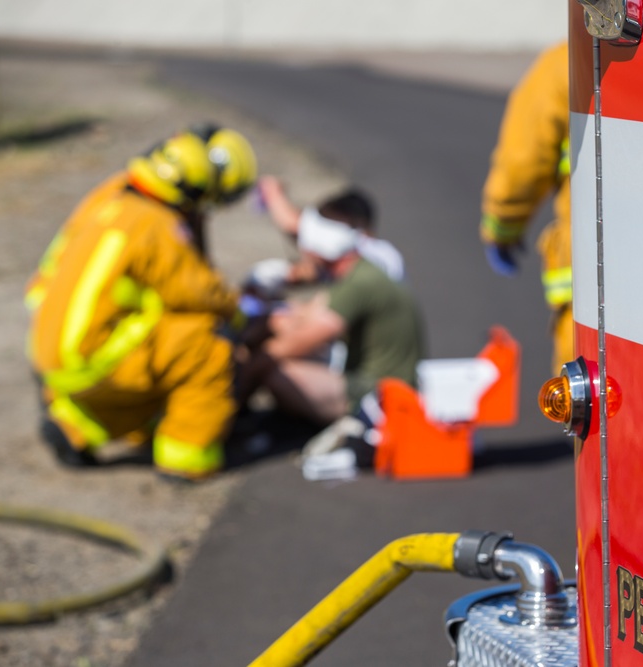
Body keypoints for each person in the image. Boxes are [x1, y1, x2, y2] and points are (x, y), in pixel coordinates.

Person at [24, 124, 258, 481]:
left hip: (49, 341)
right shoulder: (158, 224)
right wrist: (240, 313)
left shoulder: (114, 197)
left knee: (157, 351)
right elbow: (196, 291)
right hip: (93, 355)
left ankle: (75, 425)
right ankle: (188, 458)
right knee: (207, 343)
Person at [239, 189, 424, 430]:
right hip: (378, 378)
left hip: (382, 394)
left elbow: (302, 339)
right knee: (278, 325)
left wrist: (248, 370)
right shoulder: (360, 271)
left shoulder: (359, 282)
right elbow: (311, 314)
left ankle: (234, 415)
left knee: (275, 369)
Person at [479, 41, 572, 374]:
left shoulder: (569, 61)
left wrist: (502, 228)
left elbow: (522, 164)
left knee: (592, 406)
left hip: (597, 278)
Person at [256, 175, 406, 283]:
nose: (308, 251)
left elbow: (292, 224)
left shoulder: (373, 264)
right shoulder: (378, 255)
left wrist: (271, 190)